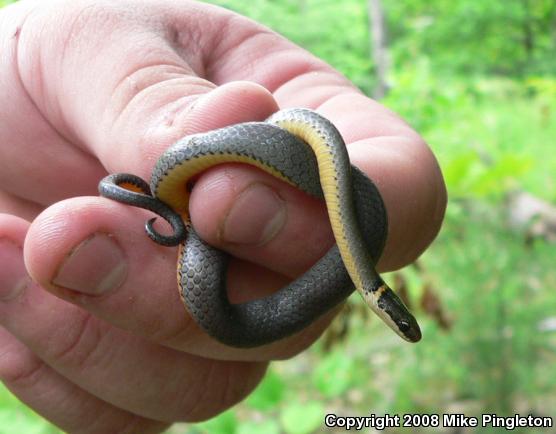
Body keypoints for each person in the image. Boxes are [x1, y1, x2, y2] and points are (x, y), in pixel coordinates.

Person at [0, 0, 447, 432]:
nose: (401, 328)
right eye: (402, 324)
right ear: (385, 306)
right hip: (232, 145)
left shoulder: (363, 228)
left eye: (400, 326)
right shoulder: (357, 225)